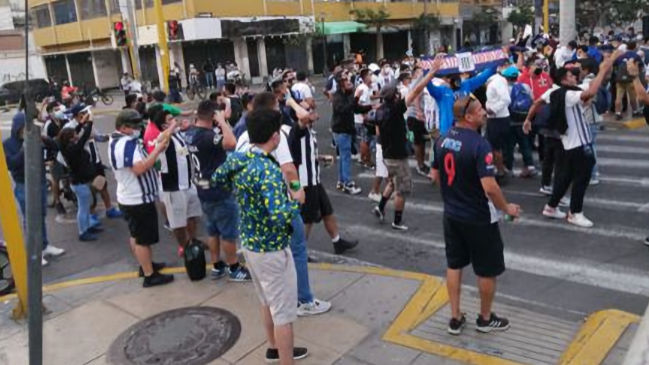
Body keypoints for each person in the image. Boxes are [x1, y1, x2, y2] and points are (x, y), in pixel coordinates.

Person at [213, 108, 308, 364]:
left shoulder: (239, 158)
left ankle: (273, 347)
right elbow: (279, 214)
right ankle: (285, 359)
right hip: (271, 249)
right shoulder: (267, 170)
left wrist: (242, 195)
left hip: (251, 244)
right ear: (275, 136)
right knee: (283, 314)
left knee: (267, 301)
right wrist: (297, 201)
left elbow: (217, 178)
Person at [432, 95, 520, 335]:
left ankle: (455, 317)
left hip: (451, 214)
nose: (484, 111)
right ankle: (484, 318)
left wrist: (454, 192)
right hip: (478, 217)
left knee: (454, 265)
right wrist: (507, 208)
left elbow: (434, 175)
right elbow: (490, 187)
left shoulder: (441, 140)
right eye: (480, 109)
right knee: (486, 269)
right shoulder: (480, 145)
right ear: (468, 117)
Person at [237, 92, 331, 317]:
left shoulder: (243, 137)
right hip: (280, 206)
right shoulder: (275, 135)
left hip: (254, 211)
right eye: (278, 107)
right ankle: (303, 299)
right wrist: (298, 191)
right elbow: (289, 169)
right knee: (296, 249)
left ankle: (281, 299)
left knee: (272, 260)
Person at [524, 50, 619, 228]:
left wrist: (528, 120)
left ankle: (551, 207)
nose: (574, 77)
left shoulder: (553, 92)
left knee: (565, 176)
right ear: (563, 80)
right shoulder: (568, 95)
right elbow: (590, 92)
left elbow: (537, 103)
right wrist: (603, 69)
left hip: (568, 143)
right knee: (582, 177)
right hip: (579, 143)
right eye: (570, 75)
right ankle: (575, 213)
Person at [184, 100, 252, 281]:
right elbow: (231, 142)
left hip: (203, 188)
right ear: (213, 116)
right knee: (228, 233)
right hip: (218, 190)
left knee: (212, 230)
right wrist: (222, 121)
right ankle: (234, 267)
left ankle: (217, 265)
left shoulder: (190, 134)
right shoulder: (206, 136)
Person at [373, 57, 442, 231]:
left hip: (387, 154)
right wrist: (431, 72)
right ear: (395, 96)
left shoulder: (380, 111)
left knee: (392, 182)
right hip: (397, 155)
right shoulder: (395, 109)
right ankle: (397, 221)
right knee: (402, 189)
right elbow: (417, 89)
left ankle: (380, 207)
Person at [109, 109, 172, 287]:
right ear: (123, 127)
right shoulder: (126, 144)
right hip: (137, 199)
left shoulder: (117, 141)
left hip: (129, 197)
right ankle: (149, 275)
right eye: (134, 126)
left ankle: (145, 265)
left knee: (136, 235)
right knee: (143, 240)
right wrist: (157, 150)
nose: (138, 129)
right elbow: (139, 168)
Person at [287, 102, 359, 254]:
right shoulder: (297, 130)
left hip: (314, 180)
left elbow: (304, 153)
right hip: (305, 182)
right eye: (308, 110)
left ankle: (337, 241)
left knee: (327, 210)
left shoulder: (308, 131)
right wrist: (291, 102)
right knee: (307, 219)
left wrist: (320, 158)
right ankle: (299, 250)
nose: (312, 111)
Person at [4, 112, 65, 266]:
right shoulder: (8, 144)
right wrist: (25, 148)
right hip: (24, 185)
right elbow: (12, 165)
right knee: (31, 220)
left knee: (41, 215)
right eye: (23, 128)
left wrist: (45, 139)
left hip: (40, 182)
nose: (26, 130)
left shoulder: (35, 138)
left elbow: (56, 146)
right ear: (17, 128)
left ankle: (44, 246)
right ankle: (35, 252)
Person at [147, 105, 202, 253]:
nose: (175, 120)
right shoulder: (163, 138)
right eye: (170, 119)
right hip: (174, 188)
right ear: (164, 125)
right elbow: (161, 139)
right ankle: (184, 247)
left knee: (192, 216)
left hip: (188, 184)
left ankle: (193, 240)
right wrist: (171, 128)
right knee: (178, 222)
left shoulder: (178, 135)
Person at [67, 104, 123, 219]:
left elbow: (97, 136)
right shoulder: (71, 128)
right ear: (79, 115)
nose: (89, 113)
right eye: (86, 112)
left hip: (95, 159)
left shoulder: (89, 125)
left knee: (103, 183)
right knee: (90, 189)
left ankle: (109, 209)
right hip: (84, 163)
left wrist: (111, 136)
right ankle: (91, 215)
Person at [331, 74, 374, 194]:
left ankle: (341, 181)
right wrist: (356, 98)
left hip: (346, 129)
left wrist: (371, 107)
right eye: (346, 80)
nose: (350, 82)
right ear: (341, 84)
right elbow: (344, 109)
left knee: (343, 157)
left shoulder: (348, 95)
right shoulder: (338, 97)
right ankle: (347, 183)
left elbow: (355, 109)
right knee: (345, 157)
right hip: (341, 130)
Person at [485, 64, 513, 181]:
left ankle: (501, 171)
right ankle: (498, 169)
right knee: (492, 146)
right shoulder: (493, 80)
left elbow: (506, 99)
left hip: (498, 118)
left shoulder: (498, 81)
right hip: (495, 118)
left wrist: (494, 109)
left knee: (496, 147)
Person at [43, 101, 68, 215]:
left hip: (64, 152)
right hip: (53, 155)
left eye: (59, 109)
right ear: (50, 112)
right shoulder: (49, 125)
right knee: (56, 179)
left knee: (68, 174)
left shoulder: (63, 121)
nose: (58, 111)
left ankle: (68, 191)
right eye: (55, 109)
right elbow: (46, 141)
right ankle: (57, 201)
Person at [613, 41, 645, 120]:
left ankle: (618, 113)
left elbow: (615, 64)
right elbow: (641, 66)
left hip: (620, 80)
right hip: (631, 79)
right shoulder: (636, 56)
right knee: (632, 97)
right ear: (634, 47)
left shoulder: (622, 56)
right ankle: (635, 112)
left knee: (618, 97)